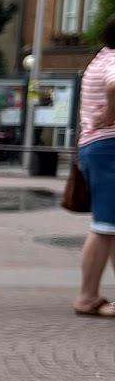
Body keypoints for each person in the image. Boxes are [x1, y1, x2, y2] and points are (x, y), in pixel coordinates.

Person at [75, 16, 115, 317]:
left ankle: (90, 295)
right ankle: (87, 297)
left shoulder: (101, 56)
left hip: (95, 146)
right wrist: (111, 115)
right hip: (110, 146)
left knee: (110, 227)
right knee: (104, 228)